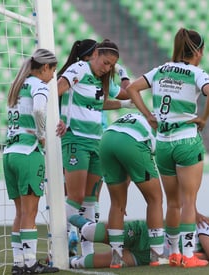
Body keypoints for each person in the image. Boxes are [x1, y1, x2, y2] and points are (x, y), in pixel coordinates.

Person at [126, 27, 209, 268]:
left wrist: (148, 115)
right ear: (198, 51)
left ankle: (174, 252)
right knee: (189, 201)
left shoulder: (160, 70)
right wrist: (204, 118)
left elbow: (131, 89)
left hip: (164, 143)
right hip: (187, 140)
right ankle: (189, 255)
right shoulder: (196, 72)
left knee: (173, 202)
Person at [57, 38, 132, 257]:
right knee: (76, 196)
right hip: (75, 140)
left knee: (91, 199)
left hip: (96, 141)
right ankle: (61, 245)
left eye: (111, 65)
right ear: (96, 53)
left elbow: (127, 93)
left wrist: (123, 74)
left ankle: (86, 251)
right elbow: (56, 90)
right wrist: (56, 119)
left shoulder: (103, 80)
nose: (107, 68)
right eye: (105, 63)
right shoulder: (79, 68)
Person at [3, 48, 59, 274]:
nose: (53, 76)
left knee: (20, 212)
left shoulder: (18, 85)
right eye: (53, 70)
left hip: (9, 153)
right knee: (30, 212)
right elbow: (38, 109)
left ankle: (19, 264)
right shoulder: (38, 85)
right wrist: (42, 134)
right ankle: (30, 263)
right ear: (44, 68)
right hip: (28, 151)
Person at [67, 214, 209, 268]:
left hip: (149, 255)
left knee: (101, 262)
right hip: (147, 234)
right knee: (93, 232)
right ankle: (75, 219)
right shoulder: (208, 227)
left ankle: (71, 261)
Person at [99, 112, 165, 267]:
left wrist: (124, 191)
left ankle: (116, 257)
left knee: (117, 204)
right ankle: (156, 255)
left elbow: (126, 165)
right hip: (133, 141)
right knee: (155, 199)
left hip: (107, 139)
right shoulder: (168, 125)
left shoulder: (141, 113)